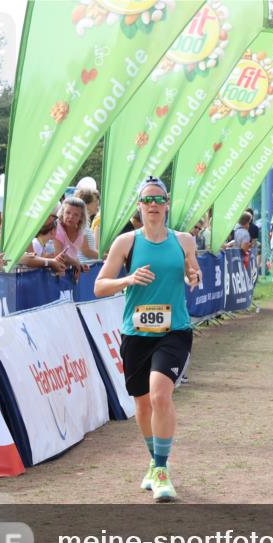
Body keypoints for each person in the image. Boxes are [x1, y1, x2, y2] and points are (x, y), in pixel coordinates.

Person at [94, 176, 201, 501]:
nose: (153, 206)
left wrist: (193, 276)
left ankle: (163, 470)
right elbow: (100, 286)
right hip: (136, 333)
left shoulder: (184, 241)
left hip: (174, 330)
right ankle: (154, 463)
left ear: (167, 205)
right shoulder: (126, 243)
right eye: (147, 200)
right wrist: (128, 279)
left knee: (159, 396)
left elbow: (191, 272)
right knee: (141, 402)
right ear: (139, 207)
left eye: (159, 200)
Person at [53, 196, 92, 271]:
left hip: (68, 273)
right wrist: (77, 264)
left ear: (81, 217)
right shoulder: (56, 228)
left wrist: (80, 265)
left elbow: (73, 254)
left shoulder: (81, 231)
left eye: (76, 214)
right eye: (68, 212)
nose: (71, 217)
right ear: (62, 213)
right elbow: (59, 256)